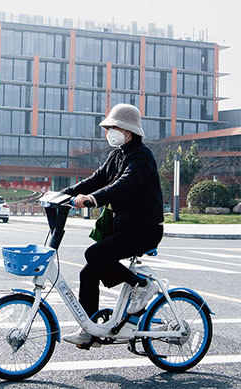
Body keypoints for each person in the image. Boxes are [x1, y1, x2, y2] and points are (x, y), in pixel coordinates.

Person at [61, 103, 164, 346]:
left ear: (128, 130)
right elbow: (96, 179)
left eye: (113, 127)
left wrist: (94, 198)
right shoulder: (116, 155)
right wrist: (63, 193)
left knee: (94, 253)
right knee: (88, 271)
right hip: (125, 226)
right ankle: (90, 331)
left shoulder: (142, 157)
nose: (109, 132)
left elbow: (124, 185)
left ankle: (142, 284)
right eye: (108, 128)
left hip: (145, 229)